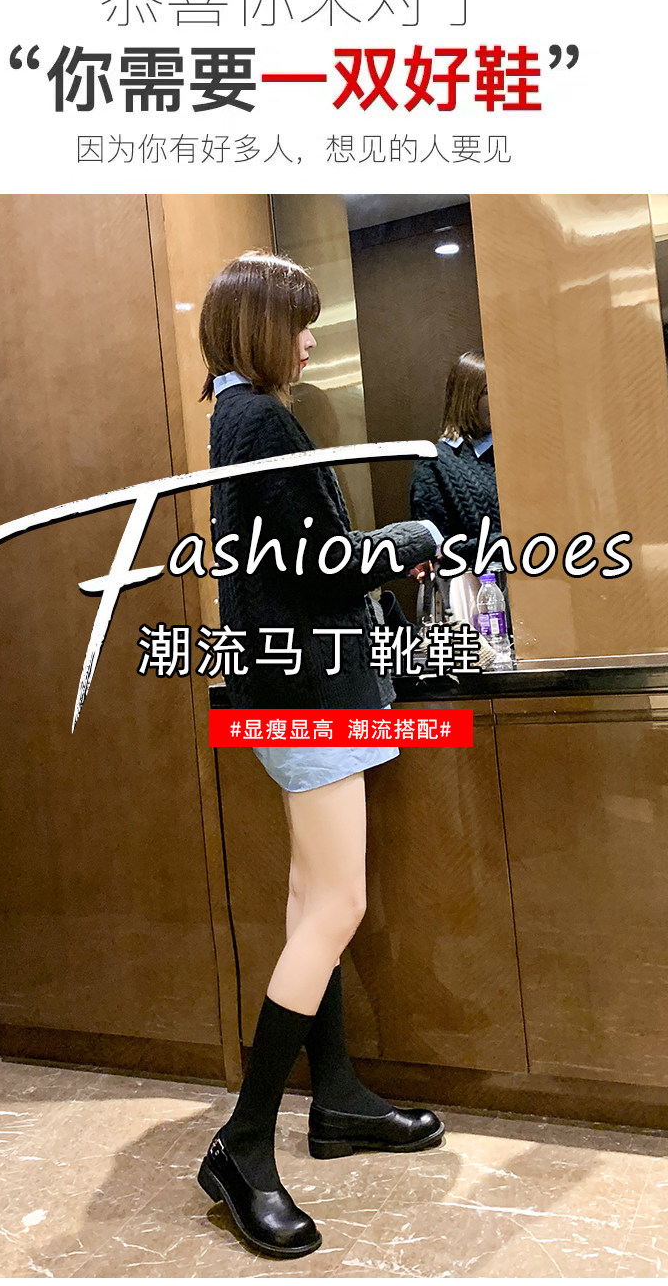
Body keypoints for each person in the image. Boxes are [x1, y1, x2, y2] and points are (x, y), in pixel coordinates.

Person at [196, 251, 445, 1259]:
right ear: (261, 326)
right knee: (336, 904)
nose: (309, 340)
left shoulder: (232, 416)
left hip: (280, 690)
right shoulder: (262, 422)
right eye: (299, 323)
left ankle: (335, 1097)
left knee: (312, 904)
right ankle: (243, 1145)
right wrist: (413, 535)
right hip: (310, 695)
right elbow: (323, 568)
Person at [409, 350, 500, 570]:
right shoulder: (435, 462)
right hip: (473, 584)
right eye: (489, 390)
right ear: (467, 396)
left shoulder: (522, 454)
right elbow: (436, 548)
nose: (501, 398)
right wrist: (506, 541)